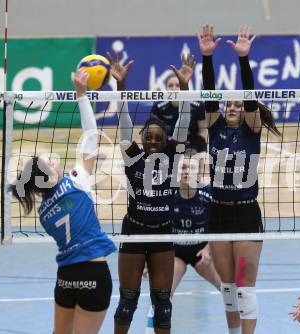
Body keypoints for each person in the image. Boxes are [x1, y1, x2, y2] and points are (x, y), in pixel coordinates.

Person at [10, 69, 117, 334]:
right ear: (50, 175)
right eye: (51, 161)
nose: (55, 159)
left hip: (66, 278)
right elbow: (91, 137)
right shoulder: (75, 182)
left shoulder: (44, 210)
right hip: (94, 274)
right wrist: (82, 96)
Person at [197, 24, 280, 334]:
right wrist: (208, 58)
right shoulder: (215, 127)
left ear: (244, 110)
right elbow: (208, 98)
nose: (231, 107)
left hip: (246, 214)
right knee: (229, 286)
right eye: (227, 104)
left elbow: (249, 98)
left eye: (236, 104)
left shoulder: (252, 129)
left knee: (245, 285)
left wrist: (243, 60)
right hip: (218, 214)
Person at [109, 51, 194, 334]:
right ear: (142, 139)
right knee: (127, 302)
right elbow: (123, 125)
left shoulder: (174, 156)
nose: (154, 141)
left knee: (163, 303)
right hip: (134, 231)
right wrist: (121, 89)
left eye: (159, 137)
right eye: (149, 137)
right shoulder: (132, 157)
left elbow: (184, 121)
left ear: (167, 140)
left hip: (163, 233)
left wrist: (184, 90)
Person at [145, 149, 241, 333]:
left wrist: (209, 247)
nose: (187, 171)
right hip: (175, 253)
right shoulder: (166, 195)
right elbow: (155, 229)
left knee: (230, 291)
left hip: (202, 251)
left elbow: (221, 226)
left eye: (191, 167)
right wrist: (150, 261)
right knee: (161, 296)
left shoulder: (209, 195)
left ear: (198, 172)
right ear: (176, 171)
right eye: (183, 167)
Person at [151, 74, 207, 152]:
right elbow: (153, 132)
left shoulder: (198, 105)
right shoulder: (158, 106)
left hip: (193, 145)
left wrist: (193, 149)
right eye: (170, 85)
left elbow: (203, 131)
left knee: (201, 161)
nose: (174, 89)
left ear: (184, 87)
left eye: (178, 85)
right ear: (166, 88)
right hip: (168, 147)